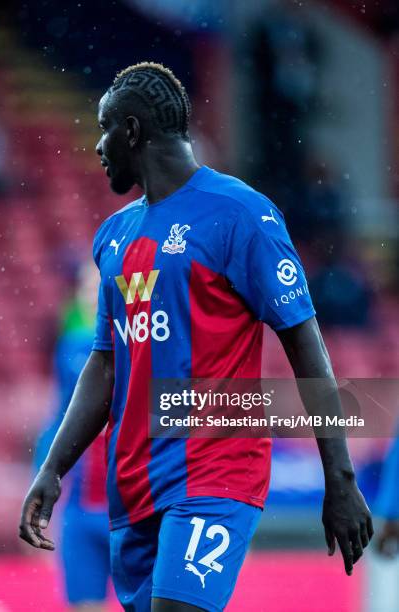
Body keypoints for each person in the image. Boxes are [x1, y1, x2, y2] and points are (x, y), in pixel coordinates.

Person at [20, 62, 373, 612]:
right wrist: (53, 468)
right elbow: (106, 364)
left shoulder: (240, 215)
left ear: (132, 131)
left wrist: (340, 478)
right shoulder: (114, 237)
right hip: (134, 486)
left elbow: (307, 347)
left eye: (104, 129)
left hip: (216, 473)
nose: (98, 147)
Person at [34, 263, 109, 611]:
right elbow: (60, 419)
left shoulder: (154, 346)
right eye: (87, 287)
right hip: (81, 507)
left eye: (101, 286)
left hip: (139, 506)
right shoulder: (72, 347)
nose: (93, 295)